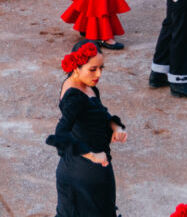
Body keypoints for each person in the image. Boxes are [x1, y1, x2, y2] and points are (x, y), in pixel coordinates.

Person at [45, 40, 128, 217]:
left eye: (101, 68)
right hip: (80, 175)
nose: (98, 74)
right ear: (76, 68)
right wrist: (92, 155)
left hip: (93, 174)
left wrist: (116, 126)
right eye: (92, 69)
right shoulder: (74, 98)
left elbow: (101, 112)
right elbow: (60, 136)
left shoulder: (88, 87)